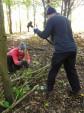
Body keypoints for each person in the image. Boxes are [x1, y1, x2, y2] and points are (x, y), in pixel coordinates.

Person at [34, 6, 81, 98]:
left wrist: (37, 30)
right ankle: (76, 90)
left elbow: (44, 35)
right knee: (71, 70)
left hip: (61, 51)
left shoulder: (52, 19)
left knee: (53, 70)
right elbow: (61, 35)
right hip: (72, 49)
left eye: (47, 16)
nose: (47, 18)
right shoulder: (66, 19)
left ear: (49, 14)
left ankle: (49, 90)